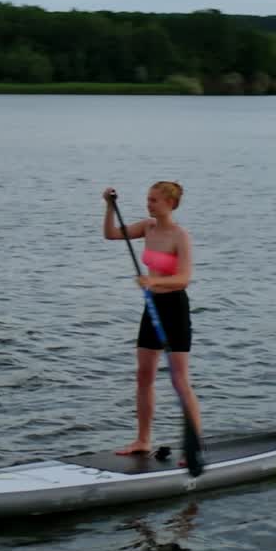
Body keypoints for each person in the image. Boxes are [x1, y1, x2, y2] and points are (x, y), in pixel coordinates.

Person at [102, 182, 201, 457]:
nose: (149, 204)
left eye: (154, 200)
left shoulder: (180, 236)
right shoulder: (147, 228)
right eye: (148, 199)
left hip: (174, 308)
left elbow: (184, 278)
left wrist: (151, 281)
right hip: (152, 305)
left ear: (170, 204)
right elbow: (110, 234)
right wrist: (109, 207)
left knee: (179, 380)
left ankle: (194, 446)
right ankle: (142, 440)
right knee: (143, 376)